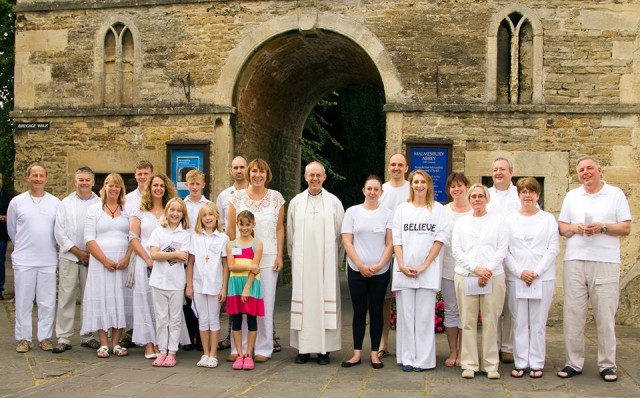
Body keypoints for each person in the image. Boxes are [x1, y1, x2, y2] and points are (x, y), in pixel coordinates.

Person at [556, 156, 631, 382]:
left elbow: (626, 227)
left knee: (605, 315)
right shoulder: (572, 196)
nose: (586, 173)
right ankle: (573, 362)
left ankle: (607, 364)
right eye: (581, 170)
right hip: (575, 260)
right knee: (573, 314)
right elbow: (561, 227)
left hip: (606, 262)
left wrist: (603, 227)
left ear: (599, 170)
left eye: (590, 168)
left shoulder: (615, 194)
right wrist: (575, 227)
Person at [226, 158, 285, 363]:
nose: (257, 175)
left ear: (267, 175)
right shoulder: (237, 197)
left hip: (267, 258)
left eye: (262, 172)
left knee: (263, 304)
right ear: (249, 174)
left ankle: (263, 347)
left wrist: (279, 255)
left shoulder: (276, 198)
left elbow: (279, 228)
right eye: (254, 172)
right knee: (240, 303)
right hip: (242, 258)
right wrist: (231, 254)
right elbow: (231, 229)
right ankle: (239, 348)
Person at [287, 161, 344, 365]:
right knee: (305, 305)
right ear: (305, 177)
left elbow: (341, 236)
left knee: (324, 304)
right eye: (311, 175)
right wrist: (295, 261)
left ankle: (324, 351)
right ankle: (303, 349)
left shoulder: (334, 203)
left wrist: (336, 262)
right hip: (303, 265)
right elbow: (290, 235)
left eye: (318, 175)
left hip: (325, 265)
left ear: (324, 177)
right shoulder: (295, 203)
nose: (314, 179)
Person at [392, 170, 448, 372]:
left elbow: (440, 239)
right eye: (415, 182)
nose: (419, 185)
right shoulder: (401, 209)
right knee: (406, 317)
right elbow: (396, 239)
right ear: (411, 185)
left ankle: (423, 360)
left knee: (424, 317)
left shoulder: (438, 210)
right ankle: (407, 358)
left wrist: (425, 265)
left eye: (423, 182)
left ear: (429, 185)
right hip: (404, 270)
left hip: (427, 271)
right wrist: (401, 264)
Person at [504, 177, 560, 379]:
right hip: (517, 278)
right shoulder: (510, 220)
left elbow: (553, 248)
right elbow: (505, 250)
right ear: (518, 195)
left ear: (538, 195)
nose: (527, 195)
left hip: (542, 278)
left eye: (531, 191)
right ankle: (521, 362)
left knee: (537, 323)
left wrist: (536, 272)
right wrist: (520, 272)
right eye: (523, 192)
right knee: (519, 321)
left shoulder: (548, 219)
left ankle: (536, 362)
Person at [453, 184, 508, 379]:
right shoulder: (461, 223)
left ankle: (491, 364)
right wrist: (476, 269)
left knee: (491, 321)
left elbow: (502, 248)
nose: (477, 199)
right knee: (467, 321)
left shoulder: (498, 221)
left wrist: (488, 270)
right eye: (474, 196)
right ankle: (469, 364)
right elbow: (457, 250)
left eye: (481, 196)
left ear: (487, 198)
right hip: (467, 275)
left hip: (493, 276)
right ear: (469, 199)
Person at [341, 175, 393, 370]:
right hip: (356, 270)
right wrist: (360, 265)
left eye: (376, 189)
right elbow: (347, 241)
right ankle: (356, 353)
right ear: (363, 190)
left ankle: (374, 353)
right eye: (369, 188)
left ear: (381, 192)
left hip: (381, 271)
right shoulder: (352, 212)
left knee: (377, 311)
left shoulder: (388, 213)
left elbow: (390, 243)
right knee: (359, 311)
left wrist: (379, 265)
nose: (372, 192)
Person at [8, 162, 61, 353]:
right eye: (34, 175)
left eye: (41, 176)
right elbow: (12, 230)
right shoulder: (17, 202)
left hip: (47, 259)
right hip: (24, 260)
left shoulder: (55, 203)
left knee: (47, 301)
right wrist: (22, 248)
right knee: (23, 300)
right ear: (27, 178)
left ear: (46, 179)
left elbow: (58, 230)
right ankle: (23, 338)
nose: (38, 179)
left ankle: (45, 337)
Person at [81, 173, 133, 358]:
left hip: (121, 263)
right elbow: (88, 238)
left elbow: (133, 237)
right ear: (104, 187)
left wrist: (127, 258)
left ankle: (116, 343)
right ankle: (103, 343)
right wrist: (104, 260)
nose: (114, 189)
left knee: (119, 298)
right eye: (110, 185)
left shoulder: (127, 210)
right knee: (102, 298)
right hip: (100, 263)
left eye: (117, 186)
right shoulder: (94, 209)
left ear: (121, 189)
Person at [52, 167, 101, 353]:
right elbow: (59, 231)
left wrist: (91, 253)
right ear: (75, 181)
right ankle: (63, 337)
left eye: (87, 180)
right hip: (69, 257)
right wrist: (77, 251)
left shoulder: (99, 203)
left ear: (93, 182)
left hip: (92, 258)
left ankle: (87, 335)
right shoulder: (65, 203)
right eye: (81, 179)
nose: (84, 183)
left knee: (89, 298)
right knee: (66, 297)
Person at [130, 173, 179, 359]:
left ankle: (163, 343)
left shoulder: (171, 209)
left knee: (163, 306)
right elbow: (133, 238)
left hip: (167, 265)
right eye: (155, 185)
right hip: (145, 262)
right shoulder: (140, 210)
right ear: (149, 188)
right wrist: (148, 258)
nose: (158, 188)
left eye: (161, 186)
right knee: (145, 303)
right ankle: (149, 343)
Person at [148, 198, 192, 367]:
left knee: (175, 319)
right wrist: (174, 254)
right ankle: (162, 351)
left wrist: (165, 254)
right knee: (161, 319)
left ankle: (172, 351)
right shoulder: (158, 231)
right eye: (172, 210)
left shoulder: (185, 234)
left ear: (183, 214)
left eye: (178, 211)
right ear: (167, 212)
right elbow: (154, 254)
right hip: (158, 281)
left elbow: (184, 258)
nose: (175, 214)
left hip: (176, 283)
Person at [186, 202, 229, 368]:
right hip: (198, 284)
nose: (208, 218)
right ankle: (205, 353)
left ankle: (213, 353)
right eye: (204, 215)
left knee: (213, 319)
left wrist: (224, 287)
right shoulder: (195, 237)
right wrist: (189, 285)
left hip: (215, 284)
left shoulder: (223, 238)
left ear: (217, 216)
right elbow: (190, 264)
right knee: (202, 320)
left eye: (211, 214)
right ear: (200, 219)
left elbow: (225, 265)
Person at [486, 157, 519, 365]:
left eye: (502, 169)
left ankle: (508, 346)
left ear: (511, 173)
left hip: (514, 255)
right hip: (492, 257)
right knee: (493, 304)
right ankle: (494, 344)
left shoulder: (518, 194)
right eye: (495, 169)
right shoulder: (486, 194)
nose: (498, 173)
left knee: (511, 305)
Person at [378, 153, 410, 357]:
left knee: (407, 300)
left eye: (400, 165)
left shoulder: (412, 189)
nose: (396, 168)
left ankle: (407, 345)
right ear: (388, 167)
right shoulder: (381, 191)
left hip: (408, 252)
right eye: (393, 165)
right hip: (384, 253)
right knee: (384, 299)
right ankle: (383, 342)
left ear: (406, 168)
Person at [215, 155, 248, 352]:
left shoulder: (254, 192)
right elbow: (221, 223)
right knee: (234, 292)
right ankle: (230, 336)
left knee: (255, 291)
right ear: (230, 170)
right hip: (232, 248)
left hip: (251, 248)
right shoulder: (223, 196)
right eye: (235, 167)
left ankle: (267, 335)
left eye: (242, 167)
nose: (238, 171)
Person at [226, 210, 264, 370]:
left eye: (248, 224)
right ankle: (239, 354)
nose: (244, 228)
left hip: (250, 285)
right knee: (235, 320)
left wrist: (247, 287)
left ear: (253, 225)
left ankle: (249, 354)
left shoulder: (257, 244)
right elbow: (231, 266)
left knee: (251, 320)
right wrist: (250, 266)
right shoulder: (231, 244)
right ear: (238, 225)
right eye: (241, 224)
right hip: (235, 284)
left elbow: (256, 270)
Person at [122, 160, 154, 348]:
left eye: (146, 173)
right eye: (139, 173)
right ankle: (131, 331)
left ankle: (152, 332)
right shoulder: (128, 199)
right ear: (135, 175)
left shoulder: (157, 196)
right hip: (132, 249)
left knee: (149, 294)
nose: (142, 177)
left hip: (149, 251)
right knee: (132, 294)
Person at [441, 172, 472, 367]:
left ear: (467, 187)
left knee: (466, 312)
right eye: (453, 186)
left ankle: (464, 352)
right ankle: (453, 352)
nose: (457, 189)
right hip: (447, 268)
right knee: (451, 311)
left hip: (468, 271)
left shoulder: (474, 211)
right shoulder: (443, 211)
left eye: (460, 185)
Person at [183, 169, 210, 351]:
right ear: (186, 185)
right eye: (191, 184)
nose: (194, 187)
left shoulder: (207, 205)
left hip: (203, 255)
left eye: (197, 184)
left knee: (202, 293)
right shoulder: (181, 205)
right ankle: (190, 336)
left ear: (203, 185)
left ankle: (202, 338)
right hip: (186, 253)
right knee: (187, 294)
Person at [0, 171, 15, 301]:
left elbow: (12, 217)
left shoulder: (8, 198)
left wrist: (3, 218)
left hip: (1, 235)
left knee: (0, 262)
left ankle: (0, 289)